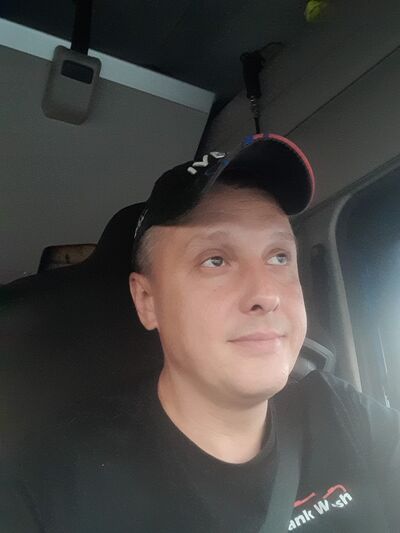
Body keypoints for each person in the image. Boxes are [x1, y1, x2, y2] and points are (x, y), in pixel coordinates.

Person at [2, 133, 400, 533]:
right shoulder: (54, 490)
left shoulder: (340, 410)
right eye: (215, 260)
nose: (266, 295)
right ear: (147, 301)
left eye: (279, 256)